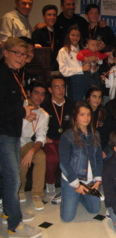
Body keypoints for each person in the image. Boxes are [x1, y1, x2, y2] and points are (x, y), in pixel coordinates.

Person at [0, 37, 41, 238]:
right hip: (3, 133)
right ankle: (15, 225)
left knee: (8, 177)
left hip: (11, 132)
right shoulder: (2, 75)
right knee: (12, 179)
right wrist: (22, 112)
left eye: (24, 54)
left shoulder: (14, 73)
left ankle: (9, 212)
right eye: (17, 53)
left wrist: (23, 112)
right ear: (5, 52)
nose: (21, 57)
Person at [59, 101, 102, 222]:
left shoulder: (96, 134)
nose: (86, 118)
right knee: (67, 218)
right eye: (82, 114)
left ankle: (80, 197)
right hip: (72, 180)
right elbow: (64, 163)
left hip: (90, 180)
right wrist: (76, 185)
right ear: (75, 116)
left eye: (88, 114)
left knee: (95, 209)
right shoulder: (67, 136)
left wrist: (98, 180)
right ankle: (70, 194)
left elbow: (98, 158)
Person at [41, 75, 75, 199]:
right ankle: (50, 183)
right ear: (50, 90)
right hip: (49, 139)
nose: (61, 90)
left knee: (76, 155)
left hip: (66, 139)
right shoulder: (44, 104)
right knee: (52, 158)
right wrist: (43, 137)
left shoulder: (71, 103)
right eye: (56, 87)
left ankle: (73, 182)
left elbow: (75, 124)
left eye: (62, 87)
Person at [19, 81, 49, 211]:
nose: (39, 97)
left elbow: (41, 137)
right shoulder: (19, 106)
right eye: (36, 93)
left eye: (42, 94)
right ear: (29, 93)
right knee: (21, 164)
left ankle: (37, 194)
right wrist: (24, 117)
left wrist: (31, 151)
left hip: (25, 143)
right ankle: (20, 189)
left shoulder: (43, 114)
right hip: (11, 142)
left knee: (40, 156)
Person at [57, 25, 90, 101]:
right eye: (73, 35)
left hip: (87, 78)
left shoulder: (84, 49)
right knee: (76, 105)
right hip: (75, 80)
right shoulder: (63, 51)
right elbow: (64, 71)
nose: (75, 38)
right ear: (68, 35)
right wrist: (81, 69)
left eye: (77, 35)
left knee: (89, 104)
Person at [32, 4, 60, 71]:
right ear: (43, 17)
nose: (52, 17)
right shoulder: (38, 32)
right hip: (42, 68)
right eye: (49, 15)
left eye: (54, 15)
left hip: (57, 68)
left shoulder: (59, 32)